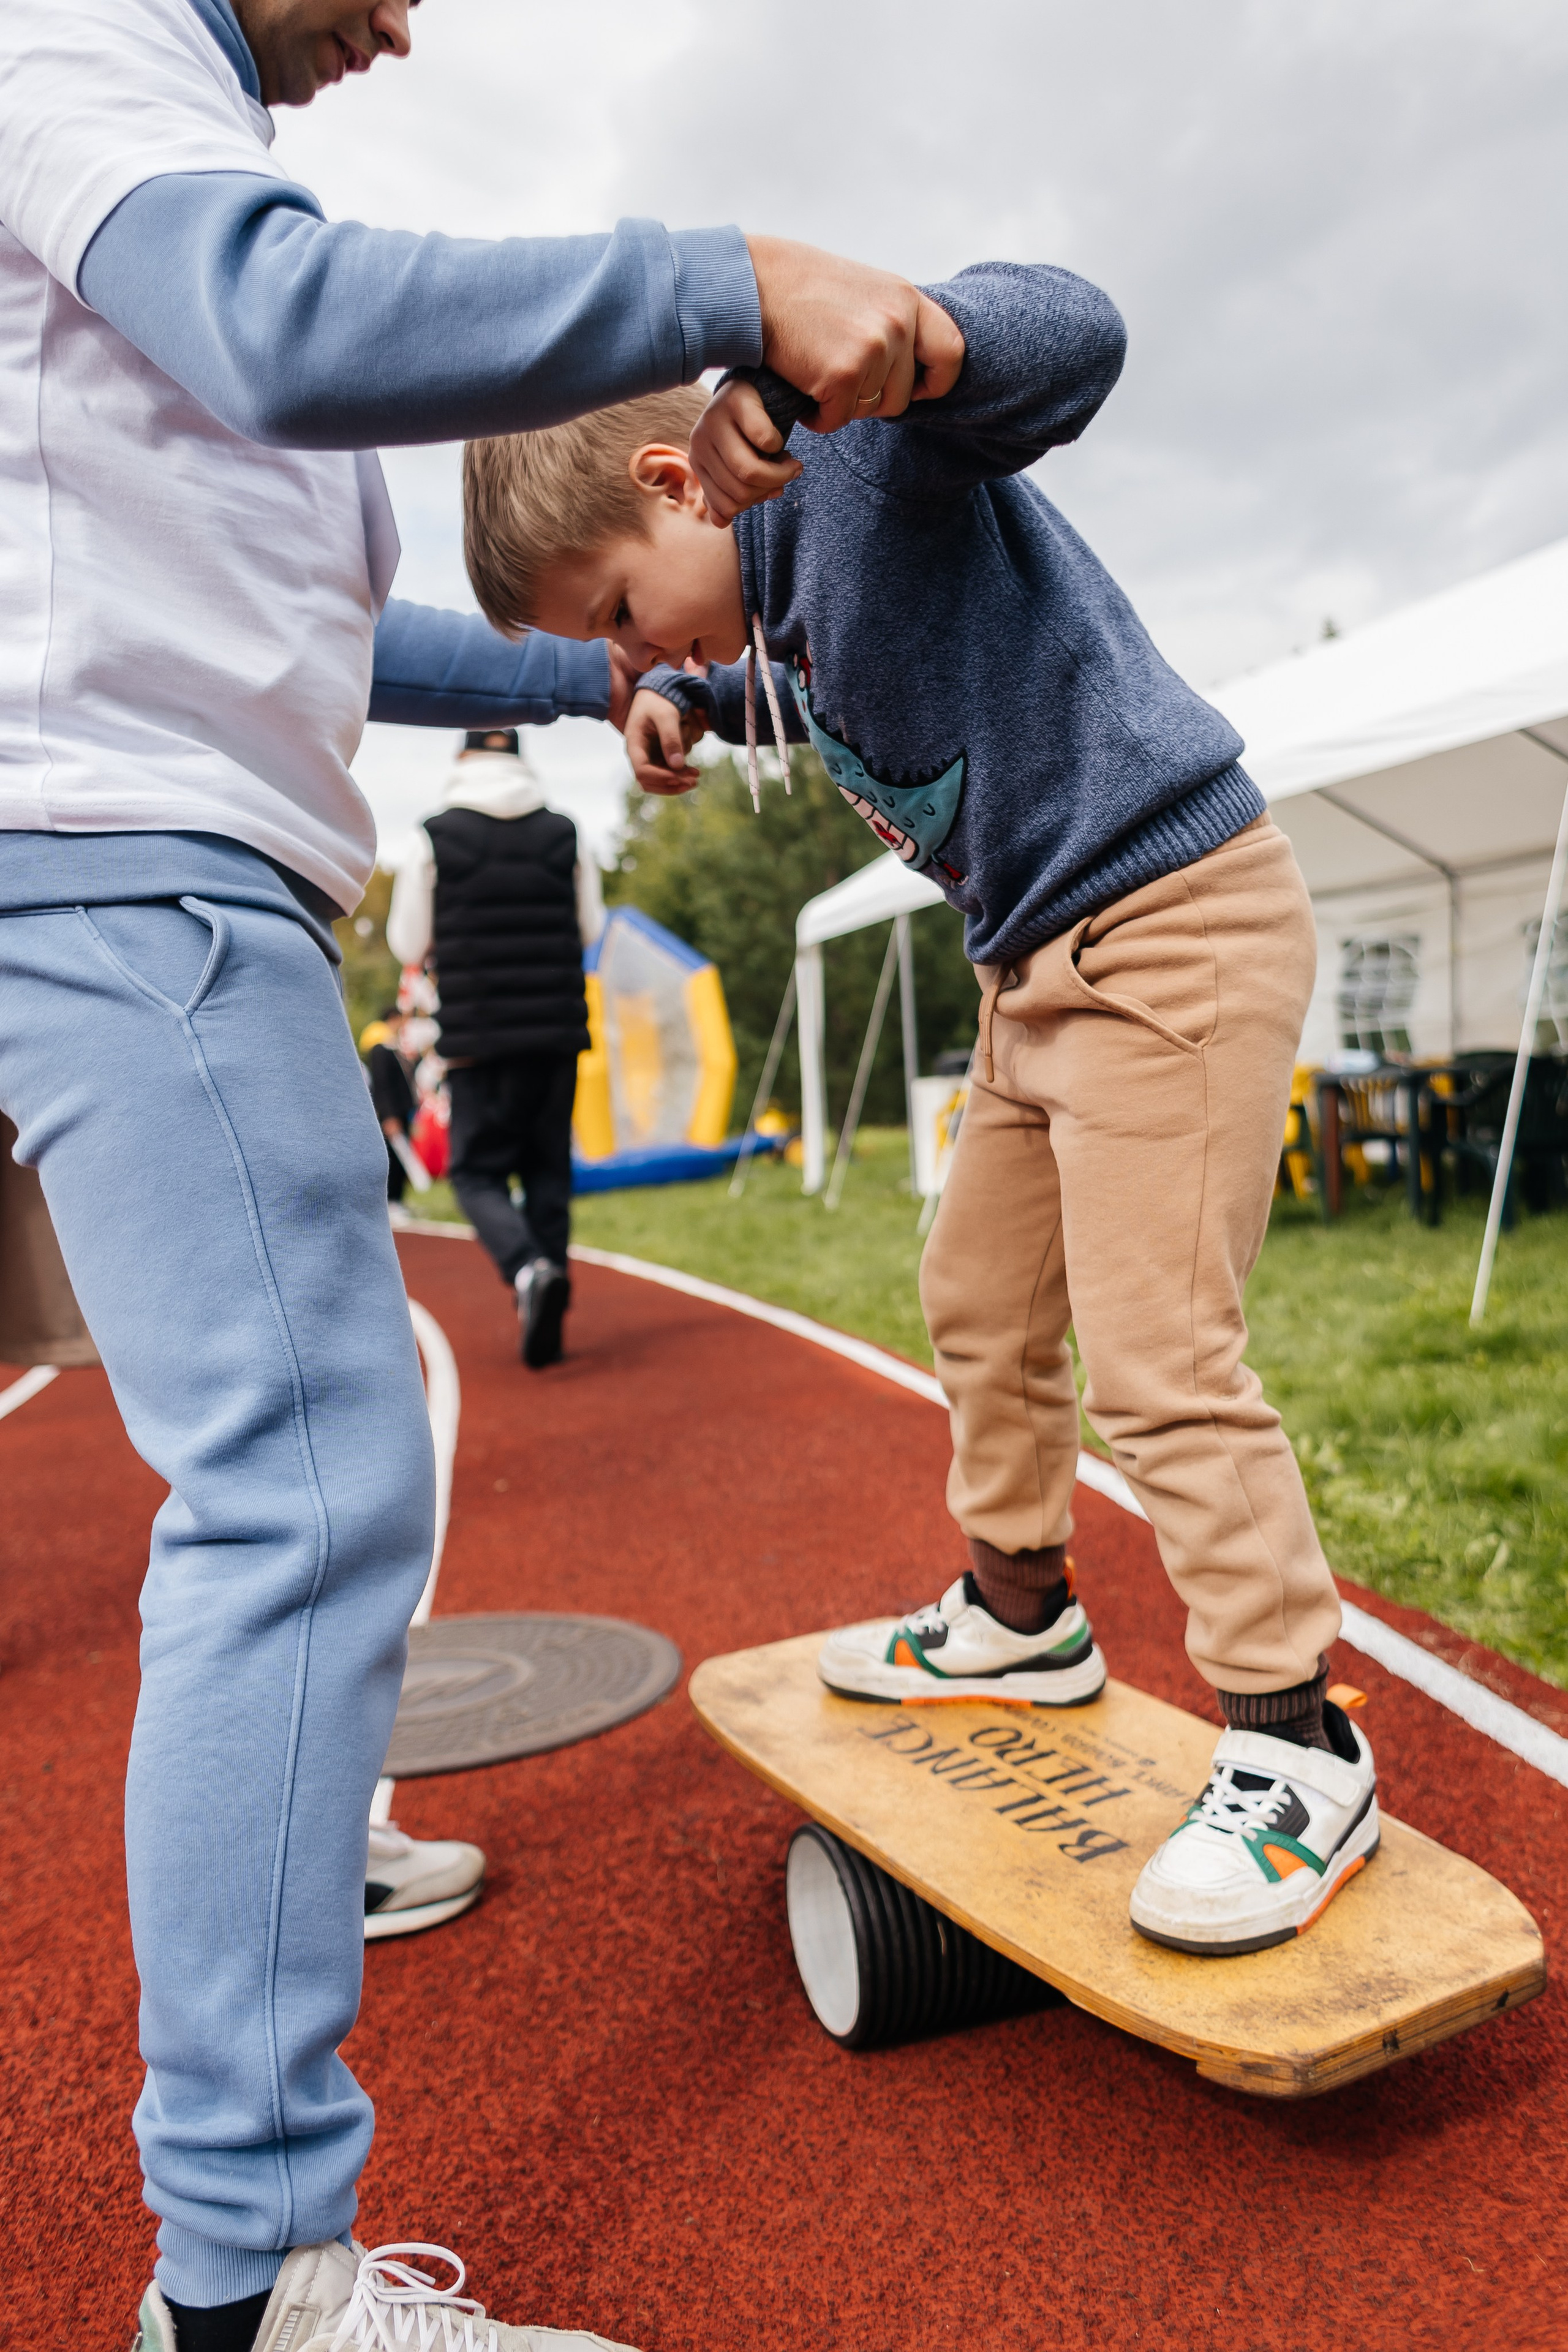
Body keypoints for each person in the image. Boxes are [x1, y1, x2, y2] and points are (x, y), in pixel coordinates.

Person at [0, 0, 964, 2343]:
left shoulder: (156, 132)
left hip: (115, 852)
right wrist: (726, 277)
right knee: (304, 1487)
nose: (404, 22)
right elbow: (285, 319)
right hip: (126, 863)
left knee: (295, 1479)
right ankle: (251, 2282)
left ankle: (270, 1885)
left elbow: (316, 631)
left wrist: (598, 682)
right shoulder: (75, 41)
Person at [461, 260, 1380, 1972]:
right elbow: (792, 672)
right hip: (1035, 967)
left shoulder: (857, 463)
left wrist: (867, 362)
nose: (630, 652)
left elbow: (1076, 338)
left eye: (619, 615)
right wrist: (688, 696)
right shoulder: (775, 602)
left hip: (1170, 923)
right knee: (975, 1296)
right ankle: (1022, 1616)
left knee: (1160, 1358)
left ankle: (1297, 1738)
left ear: (677, 483)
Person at [388, 729, 604, 1368]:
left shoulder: (433, 836)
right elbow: (589, 928)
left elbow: (407, 943)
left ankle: (529, 1269)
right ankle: (549, 1321)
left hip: (477, 1038)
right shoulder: (567, 832)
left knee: (475, 1173)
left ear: (463, 757)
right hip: (557, 1033)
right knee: (547, 1172)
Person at [361, 1008, 418, 1206]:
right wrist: (389, 1115)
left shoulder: (393, 1047)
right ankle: (390, 1200)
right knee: (393, 1157)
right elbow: (383, 1085)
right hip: (392, 1114)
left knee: (401, 1158)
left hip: (401, 1112)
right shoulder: (380, 1048)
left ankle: (397, 1199)